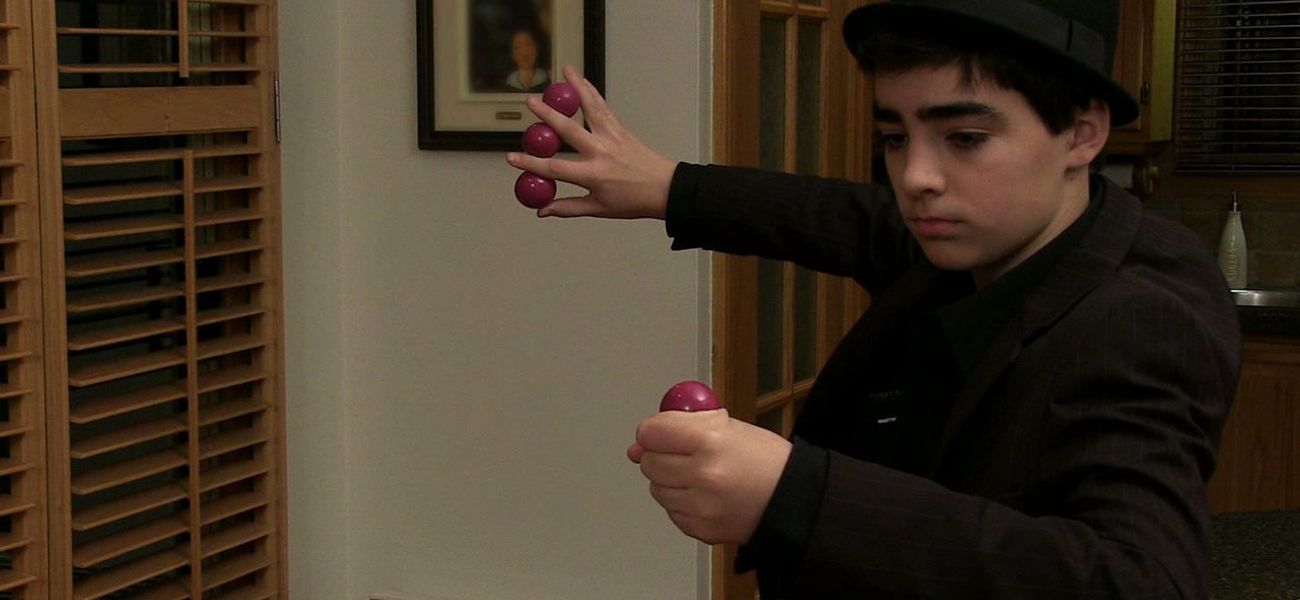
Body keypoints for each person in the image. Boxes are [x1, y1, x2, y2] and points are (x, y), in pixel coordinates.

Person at [507, 1, 1241, 597]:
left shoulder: (1139, 317)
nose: (916, 176)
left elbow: (1145, 582)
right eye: (894, 136)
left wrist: (794, 495)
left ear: (1081, 133)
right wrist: (671, 187)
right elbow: (848, 220)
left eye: (965, 138)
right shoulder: (999, 235)